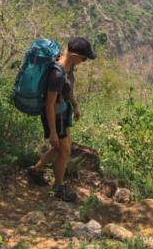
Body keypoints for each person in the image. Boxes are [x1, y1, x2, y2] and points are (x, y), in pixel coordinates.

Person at [26, 37, 96, 202]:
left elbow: (68, 89)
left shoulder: (69, 67)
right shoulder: (57, 73)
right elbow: (49, 105)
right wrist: (52, 132)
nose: (84, 61)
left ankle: (35, 171)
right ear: (73, 54)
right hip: (55, 117)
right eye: (83, 58)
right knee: (64, 151)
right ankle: (58, 187)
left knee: (61, 149)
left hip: (63, 114)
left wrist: (75, 105)